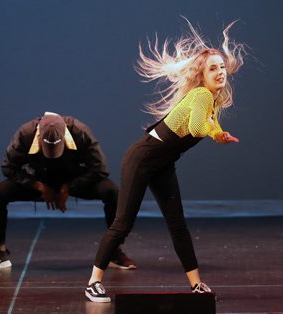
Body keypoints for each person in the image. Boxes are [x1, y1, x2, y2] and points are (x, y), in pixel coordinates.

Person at [85, 19, 246, 302]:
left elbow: (208, 125)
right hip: (144, 157)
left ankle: (196, 283)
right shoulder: (200, 95)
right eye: (213, 68)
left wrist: (219, 135)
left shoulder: (211, 100)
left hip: (164, 161)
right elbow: (198, 128)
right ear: (202, 76)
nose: (220, 72)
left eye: (222, 67)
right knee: (123, 223)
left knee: (177, 223)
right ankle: (93, 282)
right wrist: (213, 133)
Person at [0, 112, 136, 270]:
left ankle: (114, 251)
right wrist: (38, 186)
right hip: (39, 180)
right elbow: (8, 167)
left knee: (111, 192)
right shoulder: (25, 134)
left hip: (73, 180)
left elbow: (100, 169)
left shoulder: (80, 132)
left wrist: (68, 187)